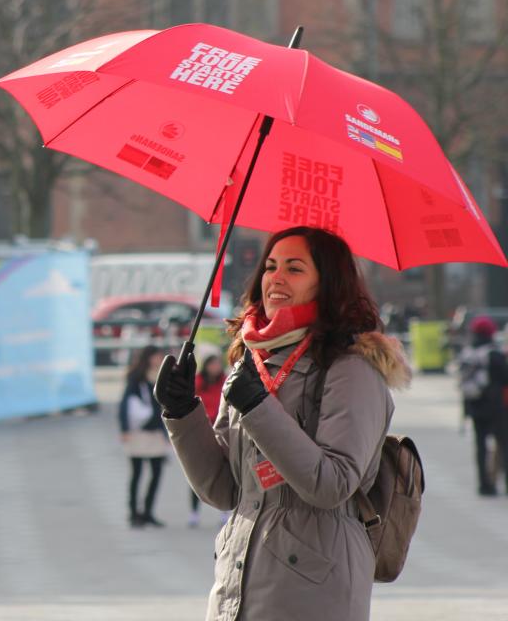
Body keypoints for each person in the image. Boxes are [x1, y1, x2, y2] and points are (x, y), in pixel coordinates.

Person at [153, 226, 411, 621]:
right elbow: (223, 489)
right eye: (271, 266)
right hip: (238, 584)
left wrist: (257, 406)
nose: (275, 277)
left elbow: (333, 483)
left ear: (328, 285)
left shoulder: (352, 370)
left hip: (314, 588)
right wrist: (183, 412)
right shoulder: (252, 361)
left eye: (295, 269)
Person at [455, 315, 508, 495]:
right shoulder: (494, 353)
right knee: (503, 443)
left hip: (476, 406)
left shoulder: (468, 353)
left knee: (480, 447)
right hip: (496, 406)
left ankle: (484, 485)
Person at [119, 345, 169, 528]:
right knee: (137, 473)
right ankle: (134, 513)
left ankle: (148, 511)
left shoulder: (161, 376)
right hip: (139, 431)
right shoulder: (137, 378)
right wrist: (124, 428)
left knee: (156, 472)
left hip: (156, 431)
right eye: (156, 356)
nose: (158, 360)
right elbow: (125, 404)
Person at [188, 351, 225, 527]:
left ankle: (224, 512)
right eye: (212, 364)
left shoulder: (225, 381)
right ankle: (194, 512)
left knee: (223, 473)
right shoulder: (197, 383)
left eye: (217, 364)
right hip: (201, 430)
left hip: (220, 430)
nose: (215, 368)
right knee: (197, 475)